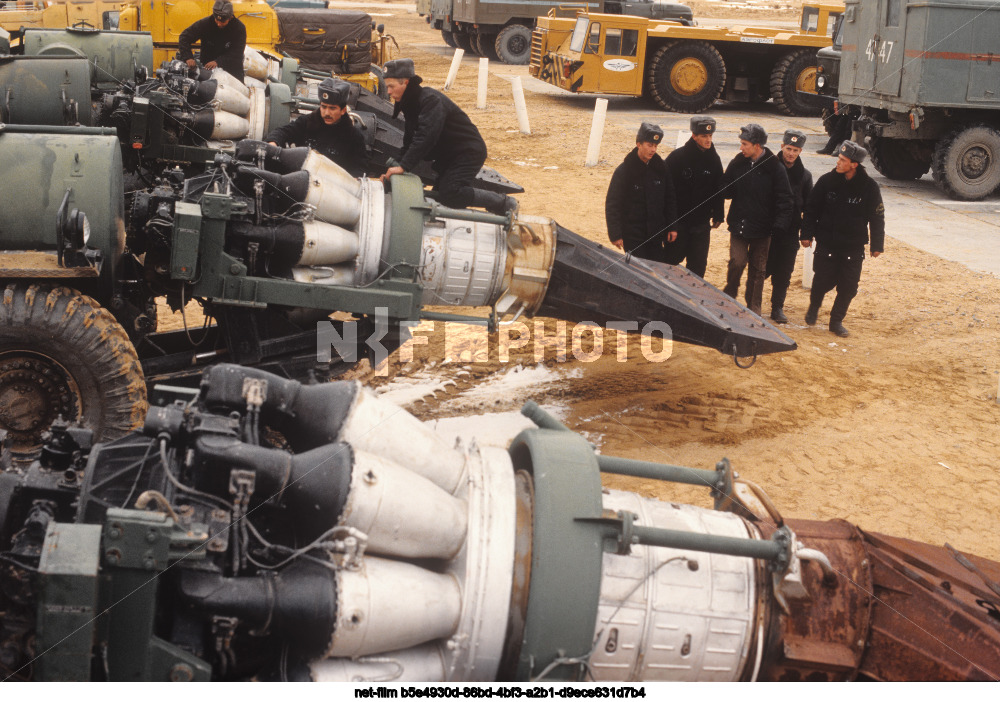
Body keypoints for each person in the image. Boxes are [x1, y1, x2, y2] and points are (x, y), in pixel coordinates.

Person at [379, 58, 515, 214]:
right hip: (450, 155)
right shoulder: (410, 102)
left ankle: (503, 203)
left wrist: (403, 167)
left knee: (450, 194)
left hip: (468, 151)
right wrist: (394, 169)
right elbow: (409, 141)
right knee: (439, 198)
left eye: (391, 86)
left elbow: (425, 137)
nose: (388, 92)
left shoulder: (430, 100)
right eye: (387, 86)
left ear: (406, 83)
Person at [800, 140, 885, 337]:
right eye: (839, 158)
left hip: (853, 246)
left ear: (854, 164)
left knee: (849, 287)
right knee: (822, 281)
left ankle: (836, 321)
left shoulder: (869, 187)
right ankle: (814, 307)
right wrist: (806, 234)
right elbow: (811, 209)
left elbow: (877, 217)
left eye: (842, 160)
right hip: (827, 242)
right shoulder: (826, 181)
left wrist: (876, 245)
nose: (838, 163)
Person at [721, 124, 793, 315]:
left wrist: (779, 225)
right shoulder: (738, 162)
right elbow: (725, 189)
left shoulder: (775, 168)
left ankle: (754, 307)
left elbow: (785, 199)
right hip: (739, 225)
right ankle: (730, 294)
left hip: (763, 229)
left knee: (758, 269)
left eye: (744, 144)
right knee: (737, 261)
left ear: (757, 145)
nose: (741, 148)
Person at [605, 122, 678, 261]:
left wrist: (672, 226)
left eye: (655, 146)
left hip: (656, 235)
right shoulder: (624, 171)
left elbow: (670, 199)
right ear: (639, 144)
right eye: (649, 145)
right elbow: (613, 203)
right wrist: (615, 234)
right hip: (633, 236)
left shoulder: (661, 169)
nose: (653, 150)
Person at [265, 77, 367, 177]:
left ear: (343, 110)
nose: (327, 113)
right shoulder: (307, 123)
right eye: (324, 106)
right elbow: (282, 132)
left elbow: (358, 171)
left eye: (332, 108)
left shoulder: (354, 138)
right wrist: (273, 144)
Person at [664, 115, 724, 277]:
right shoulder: (677, 158)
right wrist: (671, 224)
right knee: (669, 263)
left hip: (701, 224)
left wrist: (718, 213)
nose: (708, 140)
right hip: (679, 223)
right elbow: (666, 192)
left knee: (698, 268)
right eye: (704, 136)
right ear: (694, 136)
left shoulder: (714, 159)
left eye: (710, 136)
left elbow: (718, 188)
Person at [765, 129, 813, 323]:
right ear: (782, 146)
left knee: (784, 271)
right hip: (767, 229)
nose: (791, 153)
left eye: (795, 150)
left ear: (800, 151)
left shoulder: (805, 176)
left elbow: (810, 208)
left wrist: (806, 233)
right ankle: (753, 304)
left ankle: (777, 308)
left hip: (790, 231)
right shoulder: (768, 169)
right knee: (761, 269)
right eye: (788, 148)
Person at [177, 1, 247, 82]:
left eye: (223, 22)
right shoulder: (205, 23)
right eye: (217, 20)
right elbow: (184, 37)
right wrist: (188, 57)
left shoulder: (239, 28)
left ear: (230, 17)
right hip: (207, 70)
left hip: (232, 71)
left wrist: (218, 62)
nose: (219, 24)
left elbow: (237, 52)